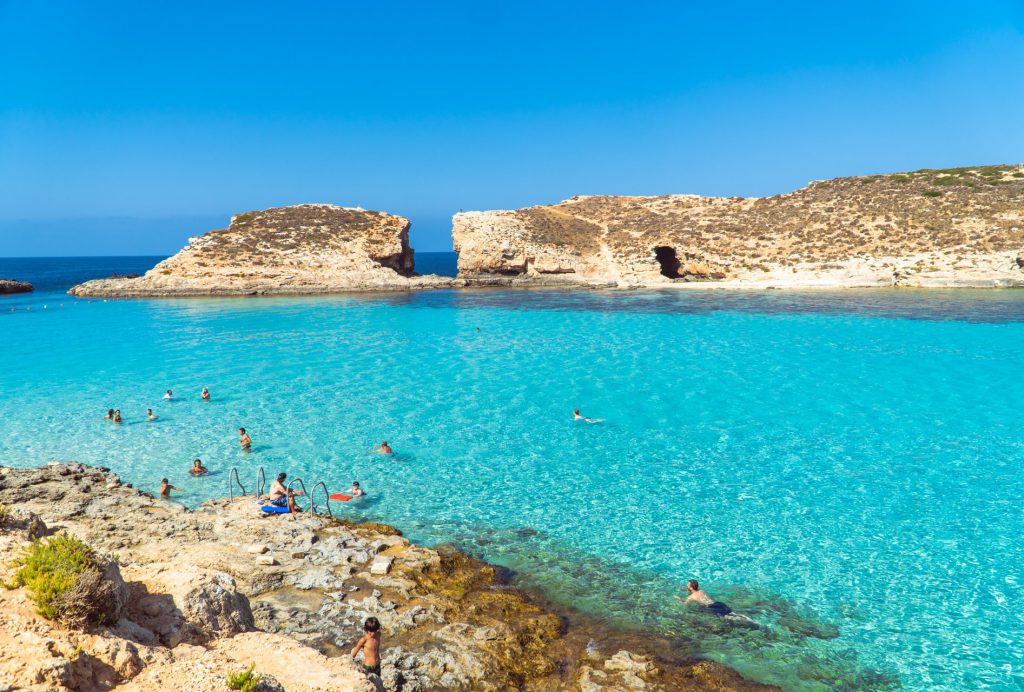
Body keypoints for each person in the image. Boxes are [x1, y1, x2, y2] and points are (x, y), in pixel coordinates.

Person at [678, 579, 747, 620]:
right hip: (717, 603)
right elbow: (694, 590)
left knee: (728, 617)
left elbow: (684, 604)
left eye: (687, 585)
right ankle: (746, 618)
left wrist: (678, 599)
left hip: (712, 607)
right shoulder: (701, 591)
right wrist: (685, 589)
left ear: (691, 588)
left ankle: (743, 620)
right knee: (732, 613)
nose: (686, 586)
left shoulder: (691, 597)